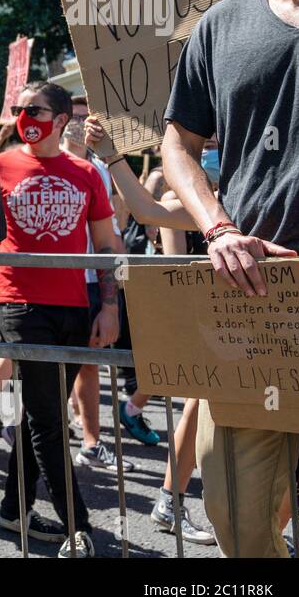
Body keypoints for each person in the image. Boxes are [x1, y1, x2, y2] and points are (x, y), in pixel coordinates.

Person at [161, 0, 299, 558]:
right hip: (256, 303)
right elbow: (177, 144)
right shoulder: (221, 24)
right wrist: (217, 226)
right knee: (234, 511)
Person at [0, 81, 123, 558]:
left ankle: (12, 508)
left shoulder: (87, 173)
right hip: (19, 303)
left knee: (39, 414)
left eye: (36, 109)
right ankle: (79, 527)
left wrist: (109, 306)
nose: (26, 115)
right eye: (19, 108)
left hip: (74, 306)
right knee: (49, 421)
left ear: (62, 118)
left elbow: (107, 247)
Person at [85, 115, 217, 545]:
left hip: (254, 330)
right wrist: (112, 154)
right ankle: (171, 500)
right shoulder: (194, 200)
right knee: (201, 401)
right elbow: (149, 213)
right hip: (212, 324)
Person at [60, 95, 135, 474]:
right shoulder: (45, 160)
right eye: (73, 116)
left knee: (89, 361)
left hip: (91, 280)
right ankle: (18, 427)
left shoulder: (101, 171)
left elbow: (113, 235)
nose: (80, 123)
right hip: (49, 283)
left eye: (85, 117)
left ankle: (91, 441)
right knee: (36, 364)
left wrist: (115, 293)